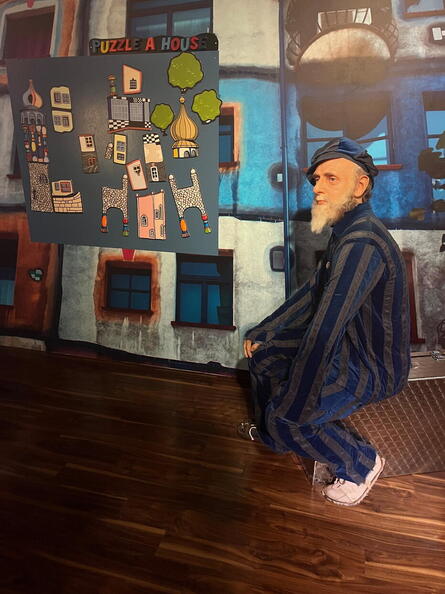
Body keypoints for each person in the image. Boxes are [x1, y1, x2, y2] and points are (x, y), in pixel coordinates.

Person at [241, 137, 411, 506]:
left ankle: (361, 462)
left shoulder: (362, 242)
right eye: (317, 179)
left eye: (331, 178)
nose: (318, 188)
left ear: (360, 185)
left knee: (288, 417)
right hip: (347, 347)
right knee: (263, 355)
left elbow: (326, 329)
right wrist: (266, 330)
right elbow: (314, 293)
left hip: (371, 367)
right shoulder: (345, 232)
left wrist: (298, 398)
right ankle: (274, 436)